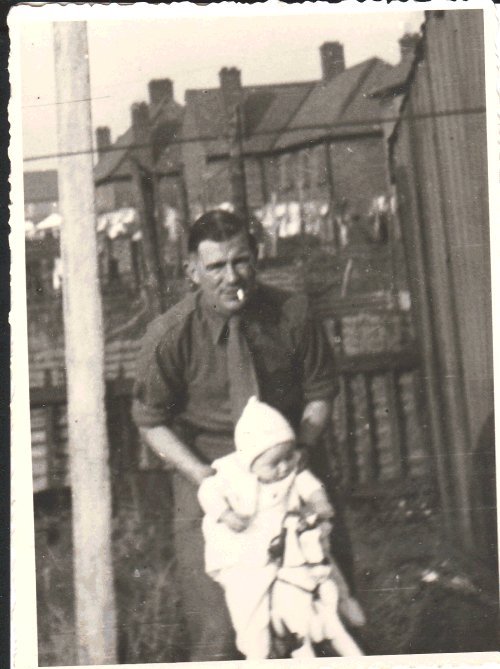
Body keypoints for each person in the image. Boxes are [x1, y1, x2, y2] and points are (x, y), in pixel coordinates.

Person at [132, 209, 352, 661]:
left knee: (322, 602)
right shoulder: (169, 335)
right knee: (216, 627)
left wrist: (303, 449)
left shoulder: (292, 314)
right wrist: (204, 478)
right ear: (191, 270)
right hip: (210, 473)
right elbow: (151, 420)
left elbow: (320, 392)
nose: (231, 277)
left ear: (258, 258)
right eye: (215, 266)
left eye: (242, 261)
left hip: (291, 465)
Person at [197, 396, 364, 659]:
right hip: (247, 554)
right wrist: (226, 514)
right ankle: (257, 650)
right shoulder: (230, 475)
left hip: (289, 546)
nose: (284, 467)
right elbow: (208, 493)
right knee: (250, 601)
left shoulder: (292, 472)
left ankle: (345, 602)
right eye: (274, 463)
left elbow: (309, 485)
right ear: (250, 461)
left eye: (288, 456)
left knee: (324, 563)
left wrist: (320, 502)